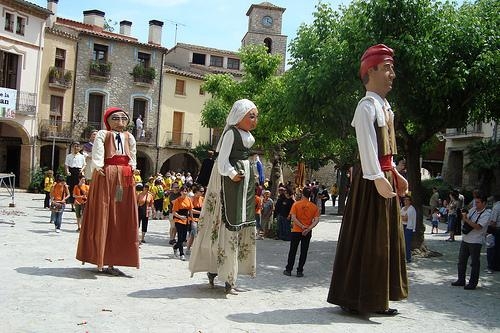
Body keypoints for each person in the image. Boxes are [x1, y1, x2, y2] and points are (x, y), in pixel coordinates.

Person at [327, 44, 408, 315]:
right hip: (371, 180)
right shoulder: (366, 107)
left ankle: (377, 298)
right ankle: (356, 298)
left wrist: (394, 173)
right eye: (387, 68)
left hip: (383, 177)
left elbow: (386, 150)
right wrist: (376, 177)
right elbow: (367, 147)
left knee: (384, 241)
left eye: (392, 69)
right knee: (369, 240)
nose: (392, 74)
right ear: (371, 71)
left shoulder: (386, 107)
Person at [189, 99, 258, 294]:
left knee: (242, 222)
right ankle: (224, 276)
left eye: (255, 116)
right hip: (229, 183)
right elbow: (222, 161)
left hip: (243, 185)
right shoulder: (231, 133)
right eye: (251, 116)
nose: (254, 120)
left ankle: (231, 276)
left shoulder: (247, 135)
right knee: (228, 222)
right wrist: (232, 173)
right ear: (239, 116)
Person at [76, 106, 139, 275]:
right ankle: (100, 259)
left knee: (121, 215)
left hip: (125, 176)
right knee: (104, 214)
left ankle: (114, 259)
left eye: (124, 119)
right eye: (116, 119)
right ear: (108, 121)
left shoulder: (129, 136)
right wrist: (98, 166)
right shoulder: (103, 135)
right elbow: (98, 154)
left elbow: (132, 156)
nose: (120, 122)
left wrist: (132, 168)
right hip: (107, 174)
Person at [451, 193, 491, 289]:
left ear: (484, 203)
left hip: (476, 241)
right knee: (461, 261)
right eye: (475, 202)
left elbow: (478, 227)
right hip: (466, 239)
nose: (475, 204)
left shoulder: (486, 214)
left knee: (474, 263)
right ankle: (461, 280)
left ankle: (473, 283)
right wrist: (464, 217)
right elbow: (466, 219)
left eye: (478, 202)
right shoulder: (473, 210)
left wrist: (465, 219)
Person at [283, 187, 320, 277]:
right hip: (307, 232)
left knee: (293, 250)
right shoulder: (314, 207)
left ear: (302, 194)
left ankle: (289, 269)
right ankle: (300, 270)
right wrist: (308, 228)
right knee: (304, 251)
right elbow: (316, 220)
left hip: (296, 230)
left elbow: (293, 218)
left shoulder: (296, 204)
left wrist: (301, 226)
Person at [65, 142, 85, 209]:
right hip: (71, 172)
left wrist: (81, 170)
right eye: (74, 146)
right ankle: (72, 205)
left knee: (78, 188)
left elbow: (84, 165)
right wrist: (67, 171)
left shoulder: (82, 156)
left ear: (79, 148)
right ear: (73, 147)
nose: (76, 148)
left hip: (78, 172)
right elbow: (66, 165)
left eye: (77, 146)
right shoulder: (69, 156)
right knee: (71, 188)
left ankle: (78, 204)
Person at [486, 195, 500, 273]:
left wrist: (488, 230)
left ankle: (491, 266)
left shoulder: (496, 207)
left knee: (492, 248)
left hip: (496, 230)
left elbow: (493, 222)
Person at [401, 195, 416, 263]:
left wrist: (402, 217)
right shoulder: (403, 208)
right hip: (402, 226)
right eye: (405, 200)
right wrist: (402, 217)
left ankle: (408, 258)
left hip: (408, 228)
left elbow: (405, 219)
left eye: (407, 200)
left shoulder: (411, 209)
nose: (405, 201)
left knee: (407, 244)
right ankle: (402, 257)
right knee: (402, 243)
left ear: (410, 201)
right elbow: (400, 217)